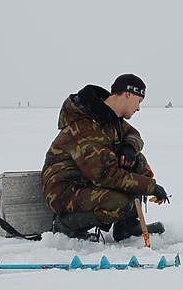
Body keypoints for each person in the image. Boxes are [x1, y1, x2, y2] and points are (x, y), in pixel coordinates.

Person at [41, 74, 169, 242]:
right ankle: (66, 225)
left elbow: (134, 134)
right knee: (119, 203)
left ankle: (127, 226)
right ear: (128, 94)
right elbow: (107, 175)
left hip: (87, 182)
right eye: (139, 101)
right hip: (65, 191)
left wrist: (129, 147)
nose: (138, 108)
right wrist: (150, 187)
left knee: (137, 161)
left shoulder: (110, 119)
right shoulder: (85, 127)